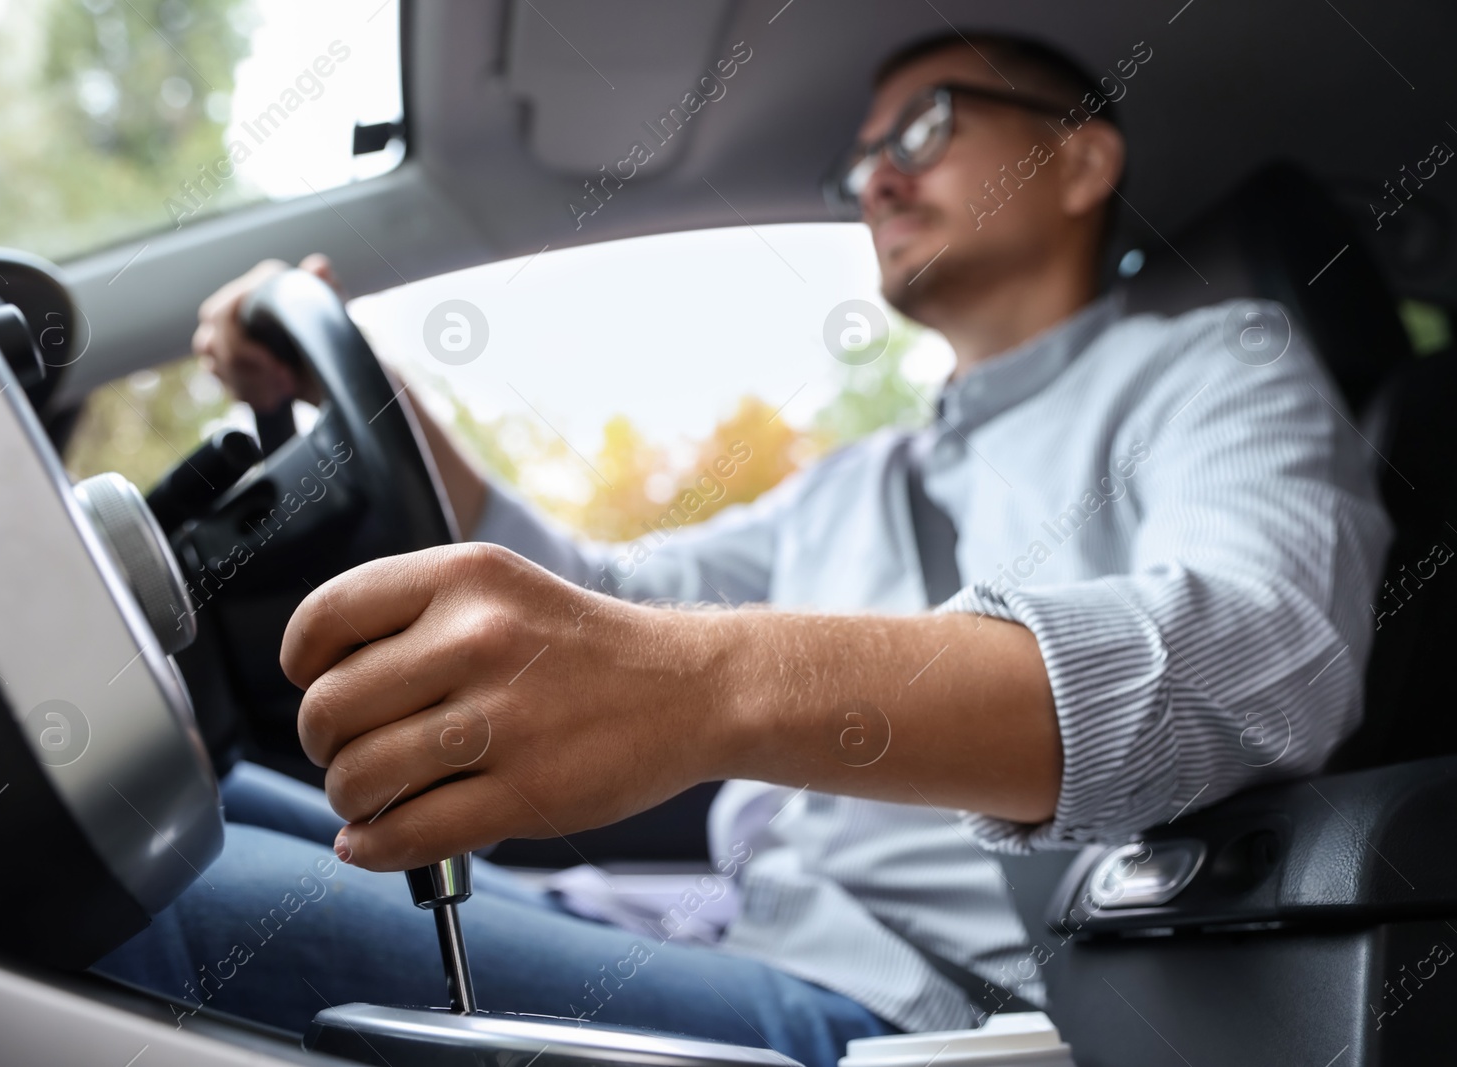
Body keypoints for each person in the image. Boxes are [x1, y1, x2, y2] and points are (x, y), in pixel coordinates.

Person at [96, 31, 1390, 1065]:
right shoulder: (859, 480)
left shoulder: (1217, 368)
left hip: (918, 1020)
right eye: (862, 159)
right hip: (730, 928)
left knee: (129, 900)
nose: (877, 174)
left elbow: (1262, 651)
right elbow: (602, 604)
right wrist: (377, 398)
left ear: (1082, 161)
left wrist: (718, 686)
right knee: (168, 804)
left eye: (927, 129)